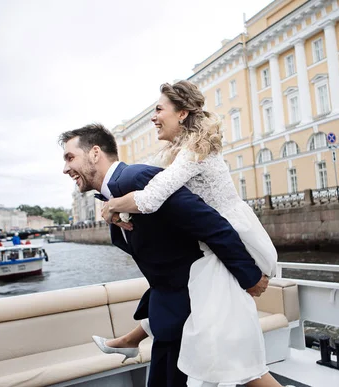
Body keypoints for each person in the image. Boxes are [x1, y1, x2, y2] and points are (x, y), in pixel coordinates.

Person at [95, 81, 281, 387]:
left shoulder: (194, 150)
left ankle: (132, 339)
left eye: (158, 110)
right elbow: (145, 183)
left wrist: (112, 205)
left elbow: (152, 196)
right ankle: (131, 339)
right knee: (194, 314)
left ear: (181, 113)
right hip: (211, 244)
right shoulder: (176, 151)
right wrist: (118, 206)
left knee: (232, 353)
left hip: (230, 239)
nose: (153, 117)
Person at [60, 124, 269, 387]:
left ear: (94, 153)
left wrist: (249, 277)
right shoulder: (111, 198)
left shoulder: (137, 178)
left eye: (70, 158)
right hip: (170, 318)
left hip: (192, 311)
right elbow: (161, 260)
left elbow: (210, 224)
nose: (65, 168)